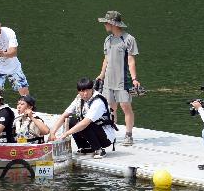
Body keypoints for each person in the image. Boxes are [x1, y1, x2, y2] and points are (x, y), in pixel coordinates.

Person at [95, 10, 140, 146]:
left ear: (112, 23)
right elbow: (106, 59)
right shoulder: (108, 40)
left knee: (125, 106)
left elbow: (131, 60)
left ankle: (128, 135)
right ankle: (111, 134)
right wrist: (101, 75)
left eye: (106, 23)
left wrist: (134, 79)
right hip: (109, 80)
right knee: (110, 108)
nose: (105, 25)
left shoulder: (128, 39)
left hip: (123, 80)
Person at [49, 77, 115, 158]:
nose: (85, 94)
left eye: (88, 90)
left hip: (106, 137)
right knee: (70, 121)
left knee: (84, 124)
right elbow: (64, 115)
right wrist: (52, 132)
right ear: (79, 91)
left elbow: (85, 123)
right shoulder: (79, 98)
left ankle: (99, 150)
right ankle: (86, 147)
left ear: (92, 89)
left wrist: (66, 134)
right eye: (82, 91)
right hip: (94, 130)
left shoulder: (98, 101)